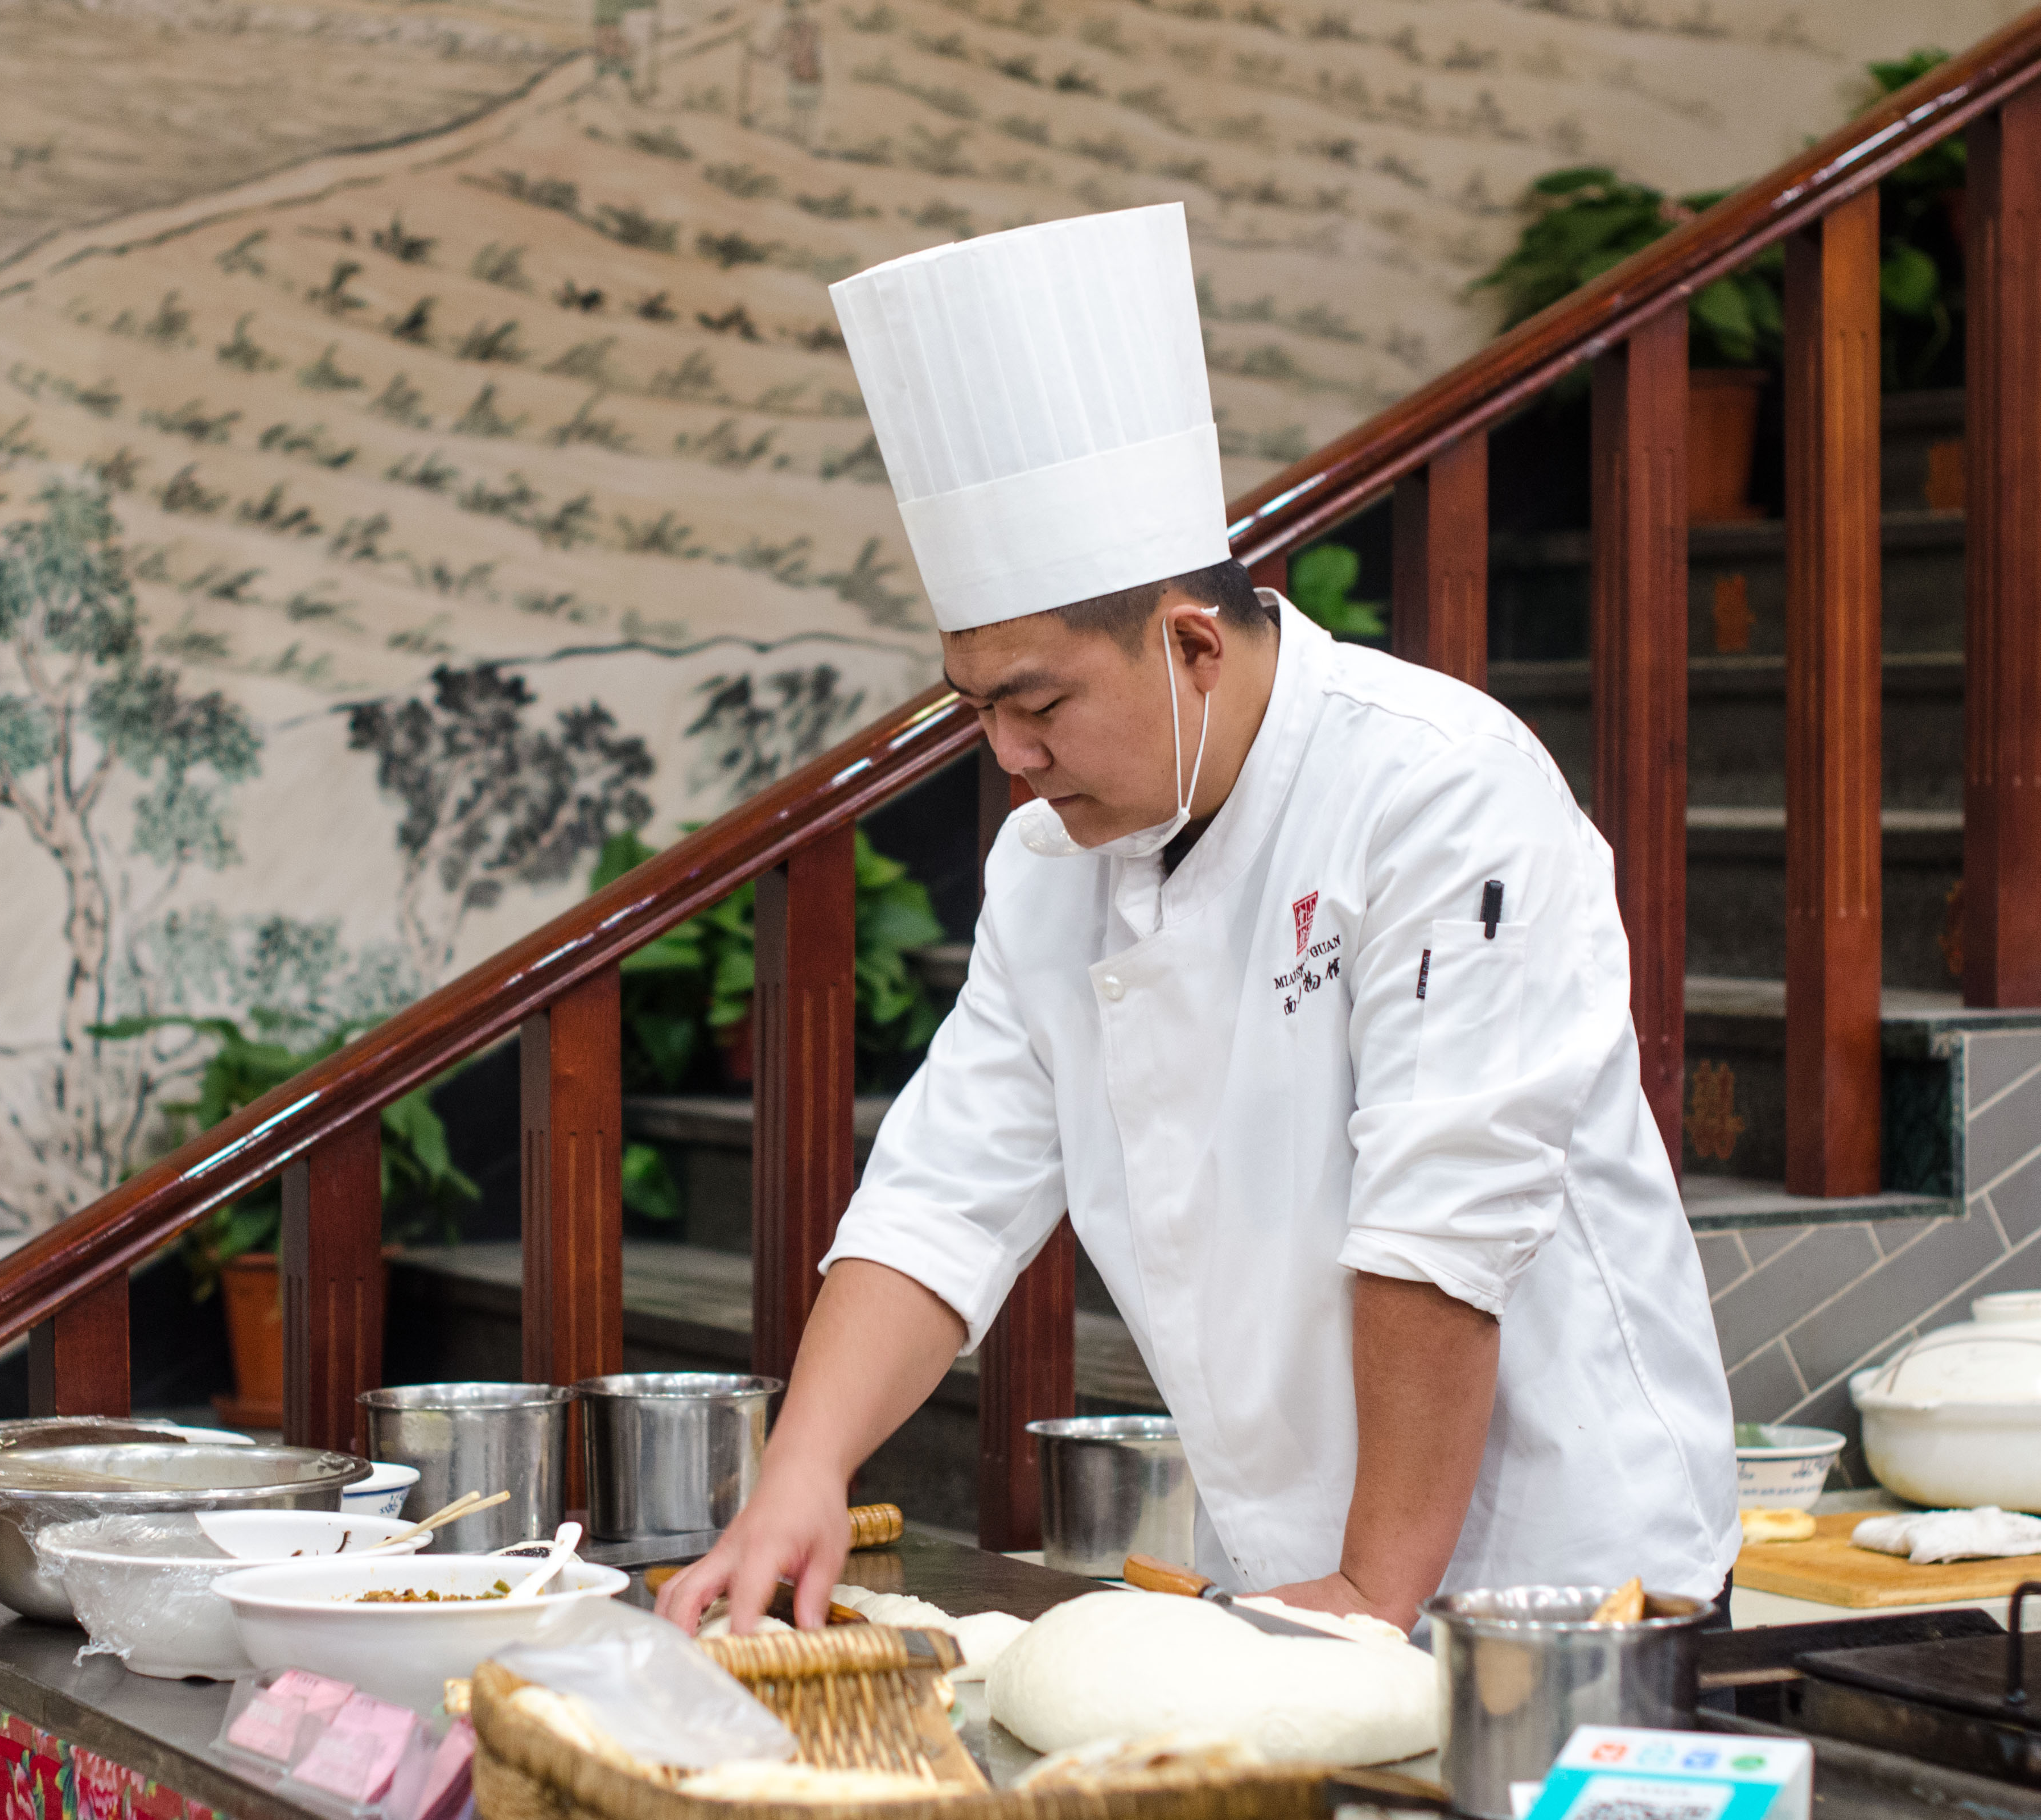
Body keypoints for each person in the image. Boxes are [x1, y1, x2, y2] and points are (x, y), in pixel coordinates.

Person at [656, 204, 1737, 1638]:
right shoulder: (1052, 870)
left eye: (1037, 705)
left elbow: (1442, 1219)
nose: (1009, 758)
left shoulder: (1434, 789)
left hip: (1560, 1580)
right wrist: (802, 1469)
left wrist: (1367, 1599)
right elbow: (942, 1194)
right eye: (976, 709)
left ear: (1188, 645)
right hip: (1298, 1572)